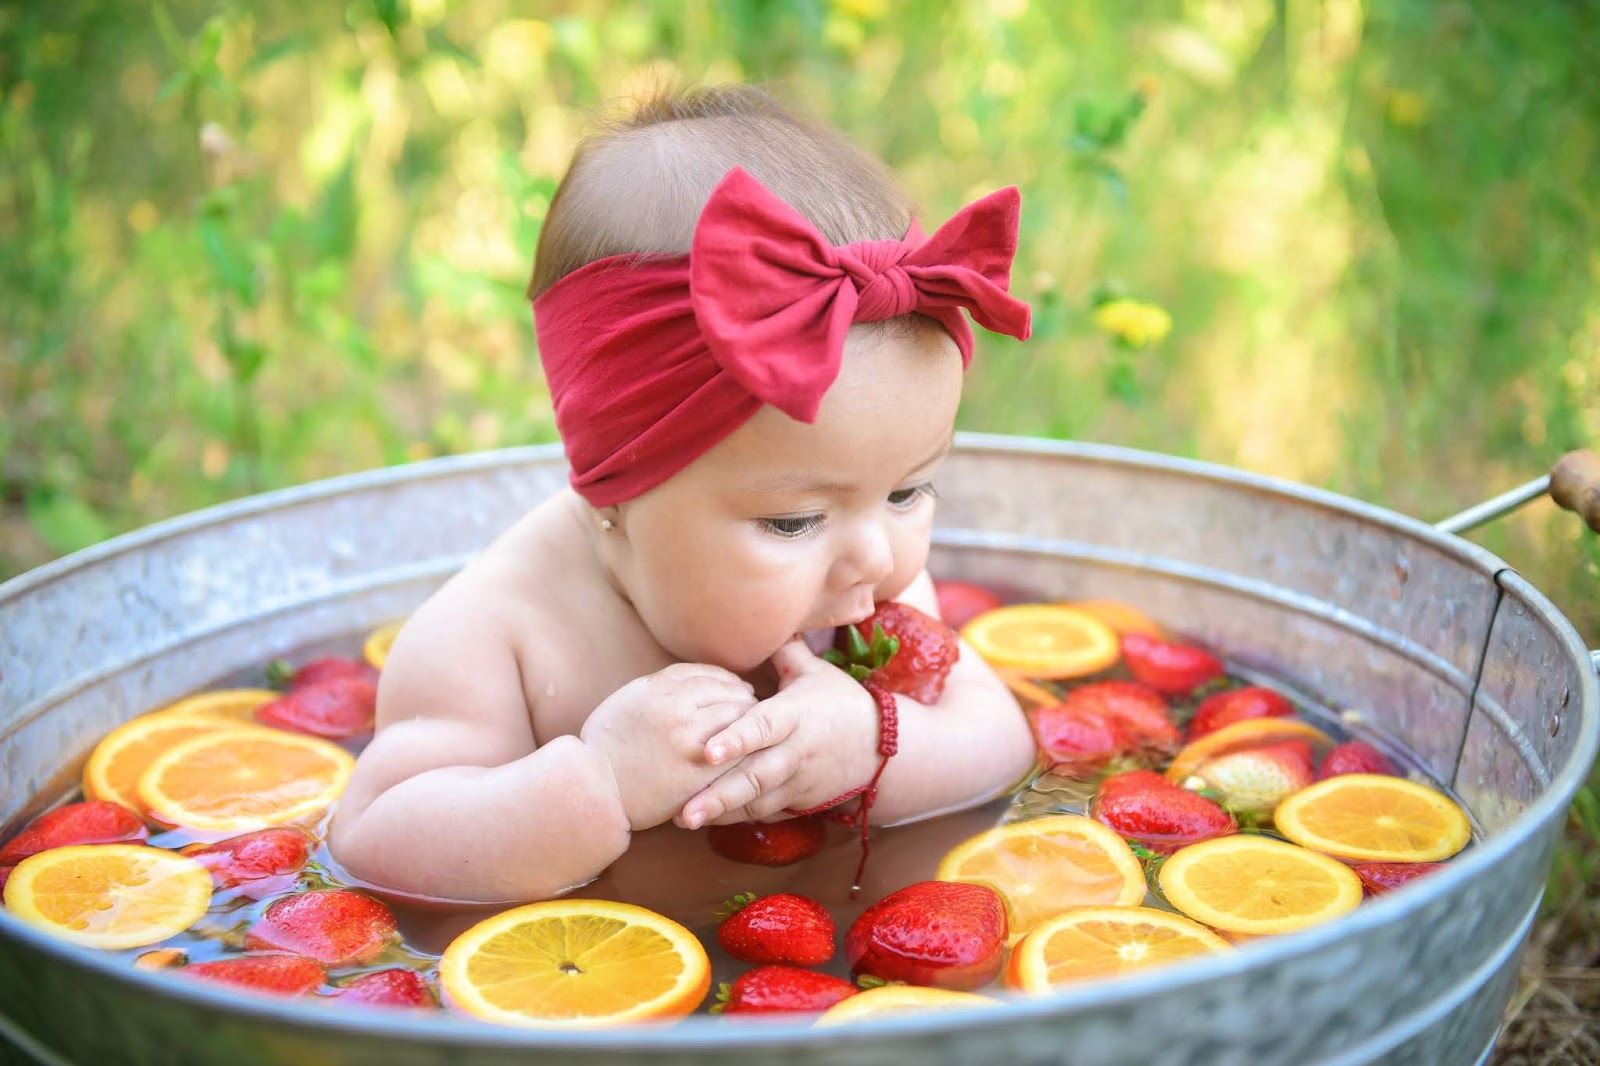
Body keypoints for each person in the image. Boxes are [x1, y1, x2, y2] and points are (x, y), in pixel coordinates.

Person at [327, 85, 1039, 906]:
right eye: (793, 519)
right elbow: (375, 840)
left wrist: (880, 746)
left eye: (910, 490)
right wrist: (597, 781)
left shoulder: (864, 581)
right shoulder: (496, 636)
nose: (880, 555)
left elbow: (999, 739)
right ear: (618, 488)